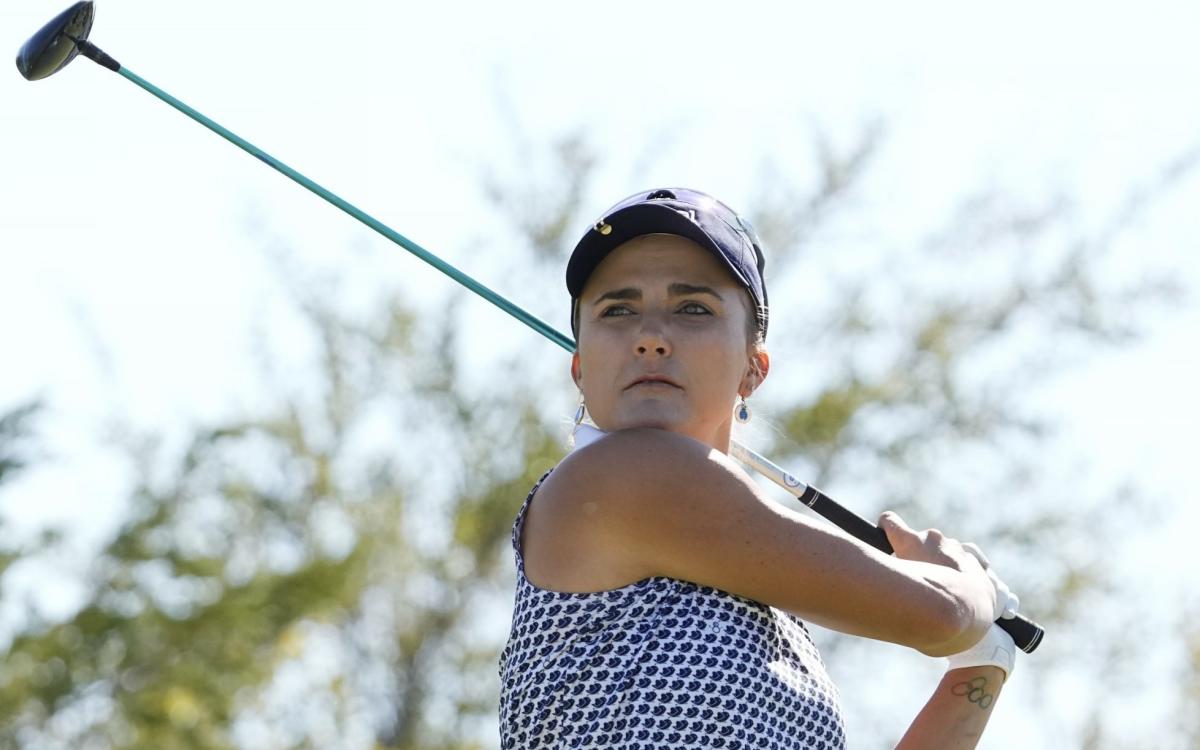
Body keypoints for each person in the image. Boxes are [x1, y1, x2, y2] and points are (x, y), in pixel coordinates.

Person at [498, 188, 1018, 749]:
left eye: (692, 308)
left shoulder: (781, 632)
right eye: (617, 310)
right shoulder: (620, 473)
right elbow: (940, 615)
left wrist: (981, 664)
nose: (649, 338)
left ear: (754, 368)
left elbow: (948, 625)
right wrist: (965, 581)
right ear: (580, 366)